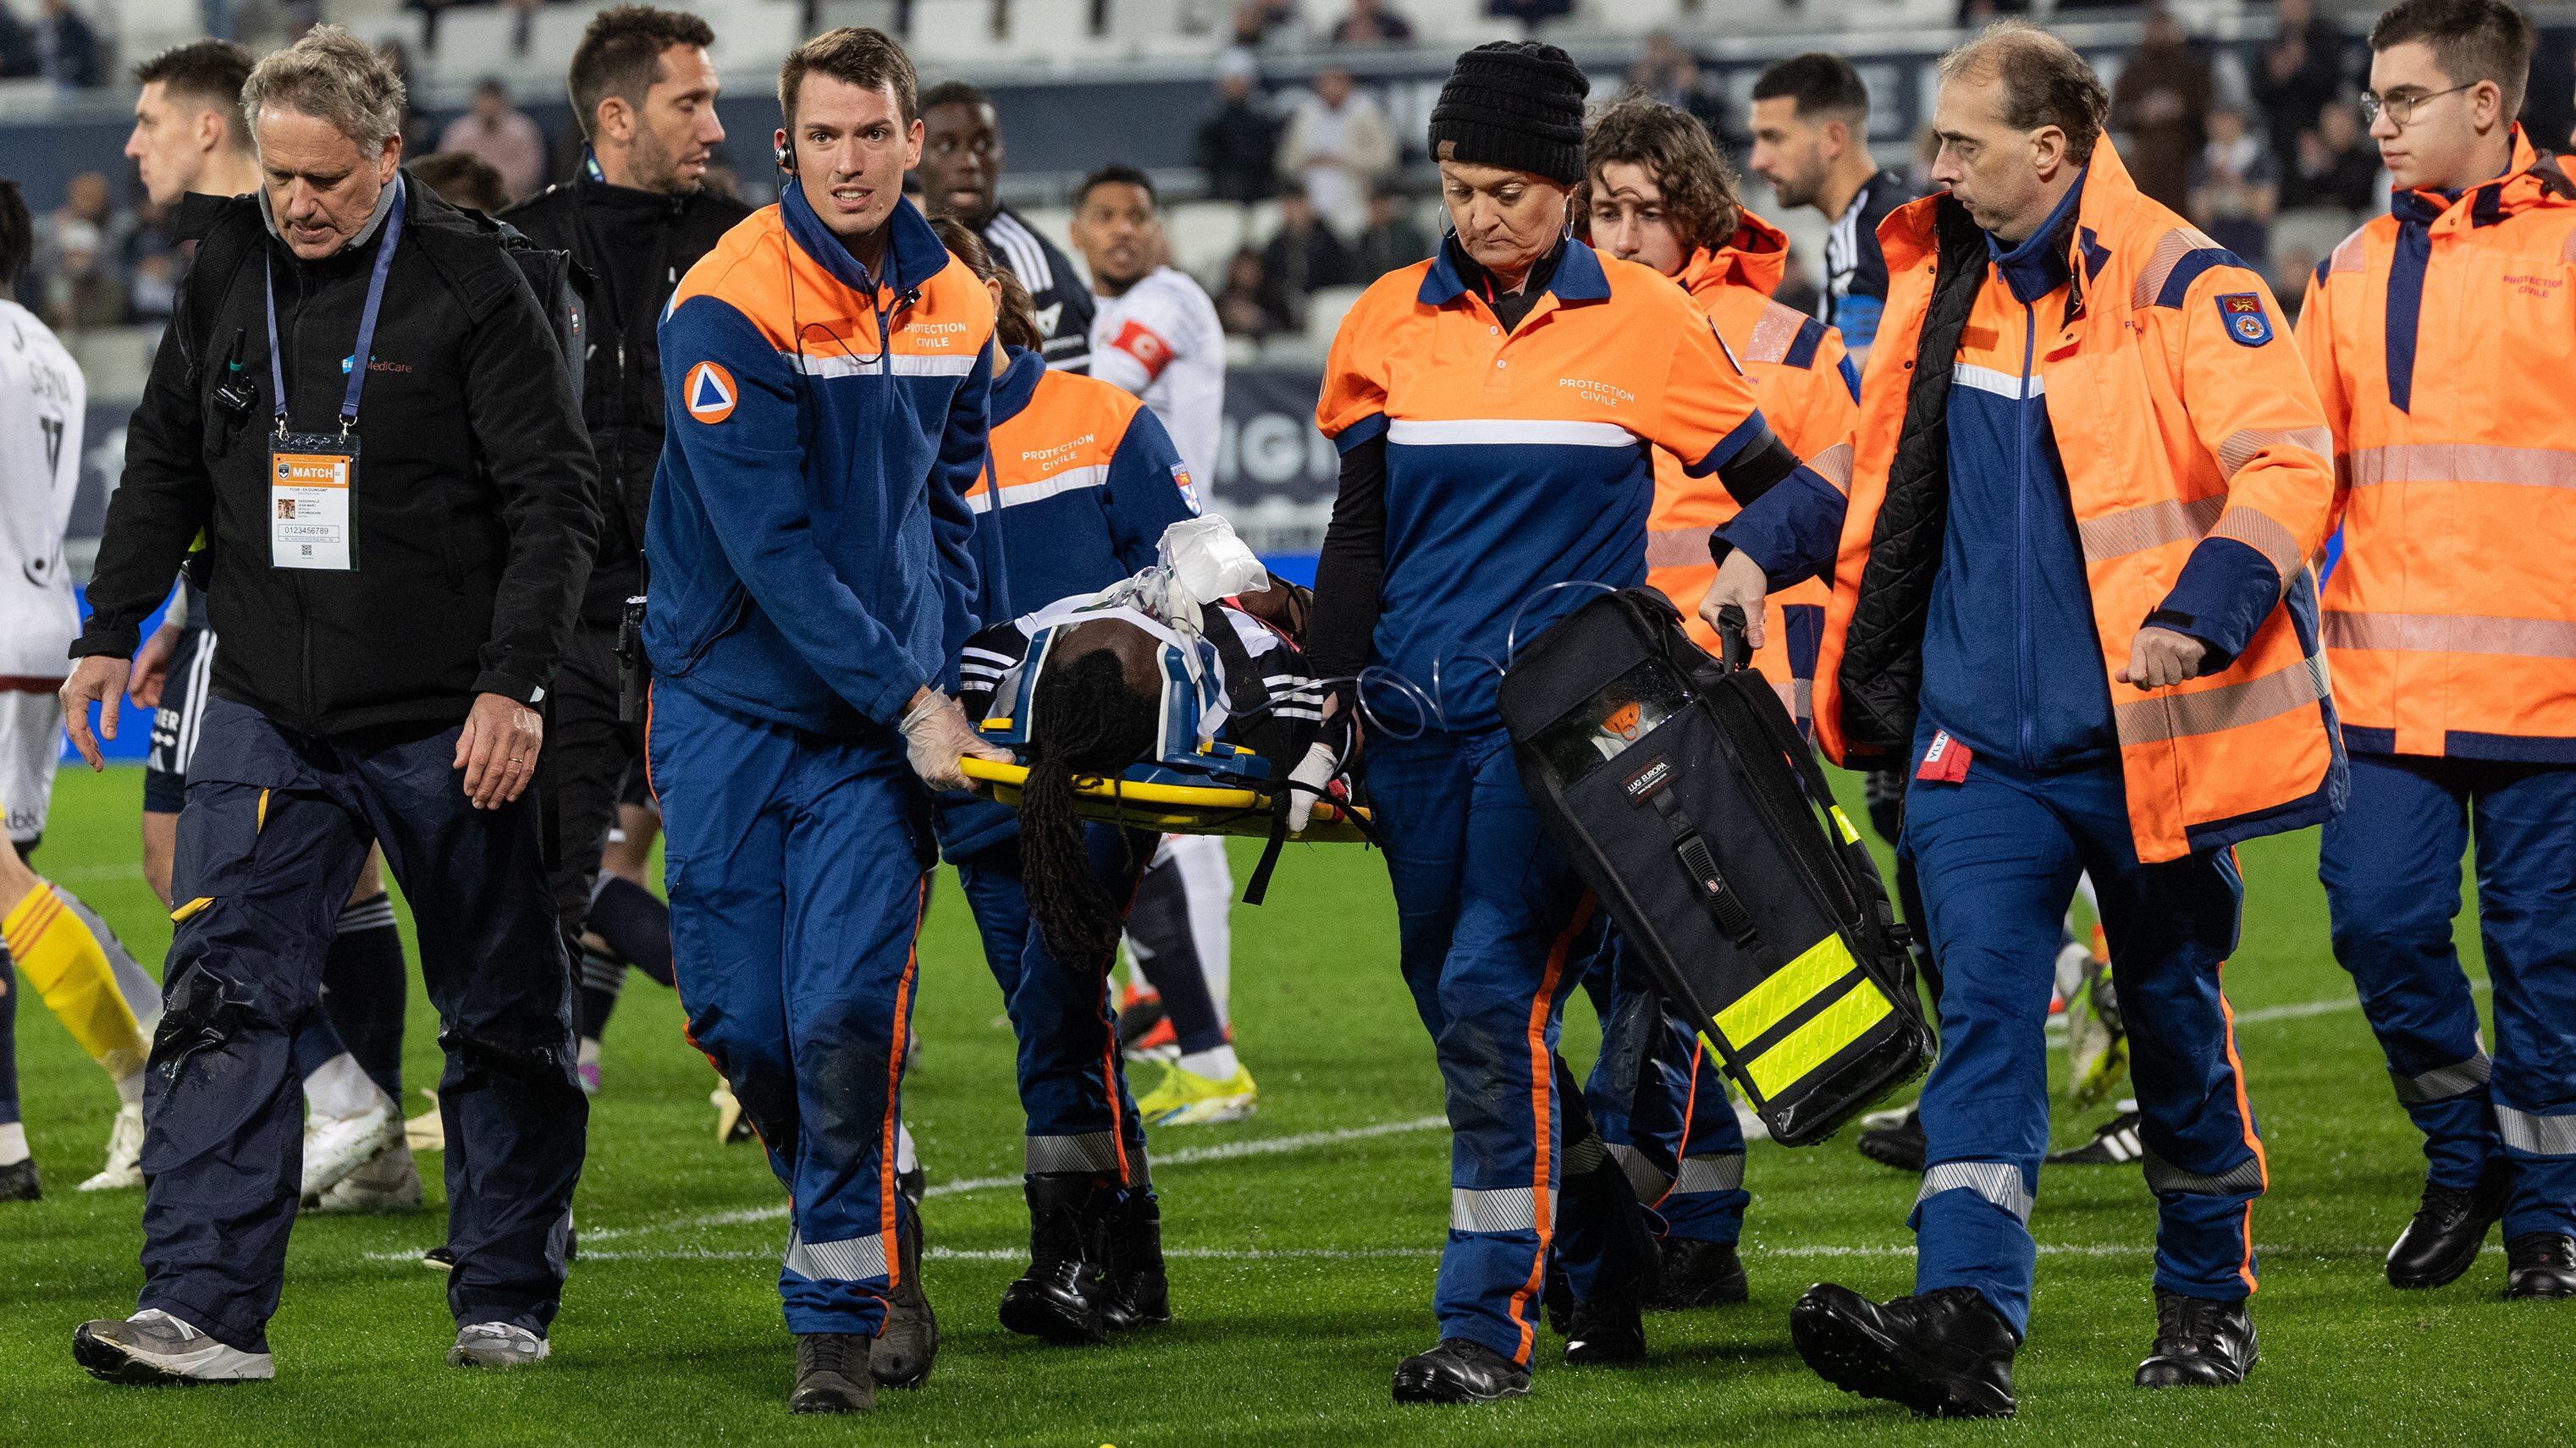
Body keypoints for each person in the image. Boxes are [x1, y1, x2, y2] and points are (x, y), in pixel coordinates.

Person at [1705, 23, 2341, 1414]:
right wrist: (1756, 546)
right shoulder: (1941, 287)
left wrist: (2206, 605)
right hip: (1974, 746)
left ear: (2046, 152)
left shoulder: (2185, 282)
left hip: (2146, 742)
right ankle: (1962, 1321)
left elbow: (2287, 463)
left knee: (2169, 1018)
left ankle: (2202, 1302)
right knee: (1985, 1018)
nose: (1930, 166)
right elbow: (1875, 462)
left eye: (1959, 144)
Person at [1304, 40, 1845, 1404]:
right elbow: (1356, 539)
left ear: (1559, 182)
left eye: (1509, 190)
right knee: (1458, 1008)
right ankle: (1604, 1261)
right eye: (1454, 185)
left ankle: (1483, 1324)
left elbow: (1797, 490)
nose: (1479, 215)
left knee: (1490, 993)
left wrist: (1738, 563)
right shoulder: (1380, 320)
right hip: (1408, 730)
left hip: (1560, 745)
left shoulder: (1652, 323)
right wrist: (1322, 706)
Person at [60, 25, 598, 1382]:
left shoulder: (478, 283)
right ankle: (201, 1305)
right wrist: (109, 625)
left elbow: (555, 498)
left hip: (449, 712)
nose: (298, 203)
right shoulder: (226, 261)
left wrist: (513, 684)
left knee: (496, 1009)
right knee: (223, 993)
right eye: (281, 175)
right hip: (266, 703)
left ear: (389, 155)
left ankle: (505, 1288)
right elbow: (165, 461)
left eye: (328, 178)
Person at [645, 26, 1002, 1415]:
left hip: (874, 733)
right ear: (785, 147)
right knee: (743, 1025)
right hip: (732, 704)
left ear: (914, 142)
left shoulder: (959, 302)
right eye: (826, 136)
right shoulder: (723, 301)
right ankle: (875, 1229)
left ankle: (840, 1319)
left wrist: (954, 660)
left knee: (849, 1015)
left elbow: (951, 501)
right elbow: (769, 546)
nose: (851, 160)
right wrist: (911, 694)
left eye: (875, 134)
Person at [119, 36, 423, 1214]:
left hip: (273, 621)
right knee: (337, 880)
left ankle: (341, 1090)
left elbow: (190, 451)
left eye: (150, 120)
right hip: (247, 601)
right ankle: (373, 1124)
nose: (133, 143)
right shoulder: (263, 250)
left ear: (209, 131)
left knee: (192, 869)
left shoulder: (240, 250)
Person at [2300, 0, 2576, 1302]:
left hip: (2554, 695)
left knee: (2544, 970)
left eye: (2401, 98)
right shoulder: (2347, 267)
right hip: (2380, 689)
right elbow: (2297, 473)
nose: (2375, 122)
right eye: (2370, 98)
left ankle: (2547, 1220)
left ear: (2483, 103)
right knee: (2376, 928)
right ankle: (2461, 1147)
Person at [1574, 92, 1862, 1311]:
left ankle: (1670, 1211)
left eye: (1648, 212)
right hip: (1590, 705)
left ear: (1695, 217)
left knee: (1677, 963)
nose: (1626, 235)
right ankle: (1694, 1216)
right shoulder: (1564, 339)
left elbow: (1848, 512)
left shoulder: (1794, 350)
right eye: (1605, 211)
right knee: (1630, 968)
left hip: (1730, 705)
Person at [929, 215, 1198, 1346]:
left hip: (1093, 785)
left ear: (992, 293)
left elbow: (1188, 571)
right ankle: (1127, 1251)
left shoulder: (1102, 422)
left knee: (1051, 1006)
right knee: (1060, 1012)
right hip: (972, 790)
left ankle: (1070, 1250)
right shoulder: (897, 448)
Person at [499, 3, 748, 1101]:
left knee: (750, 880)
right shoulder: (516, 249)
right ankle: (522, 1185)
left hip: (716, 621)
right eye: (688, 101)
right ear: (615, 112)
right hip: (573, 621)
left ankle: (831, 1133)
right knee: (547, 897)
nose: (713, 124)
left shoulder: (750, 247)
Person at [1066, 163, 1251, 1123]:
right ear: (1078, 230)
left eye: (1139, 214)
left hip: (1174, 572)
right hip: (1133, 578)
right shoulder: (1102, 312)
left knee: (1177, 814)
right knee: (1155, 811)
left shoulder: (1168, 300)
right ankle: (1183, 1020)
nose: (1124, 230)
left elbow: (1101, 396)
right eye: (1105, 216)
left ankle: (1201, 1034)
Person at [0, 178, 167, 1206]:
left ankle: (155, 1063)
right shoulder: (49, 350)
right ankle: (7, 1135)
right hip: (38, 622)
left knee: (5, 892)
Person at [914, 79, 1096, 372]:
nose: (969, 162)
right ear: (914, 153)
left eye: (983, 145)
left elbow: (1063, 390)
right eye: (948, 146)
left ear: (1001, 155)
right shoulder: (901, 243)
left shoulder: (1031, 262)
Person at [1748, 52, 1915, 369]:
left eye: (1773, 137)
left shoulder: (1864, 229)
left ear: (1833, 139)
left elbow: (1852, 376)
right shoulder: (1892, 207)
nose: (1758, 160)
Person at [2111, 3, 2215, 213]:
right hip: (2145, 163)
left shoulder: (2193, 68)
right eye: (2154, 26)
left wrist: (2180, 107)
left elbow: (2208, 111)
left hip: (2186, 160)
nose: (2159, 33)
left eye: (2164, 26)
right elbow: (2117, 115)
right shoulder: (2133, 70)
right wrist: (2141, 112)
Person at [1277, 67, 1395, 239]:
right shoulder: (1307, 113)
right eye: (1326, 84)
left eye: (1337, 83)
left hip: (1355, 198)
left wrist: (1343, 160)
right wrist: (1311, 160)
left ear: (1348, 85)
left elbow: (1385, 159)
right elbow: (1286, 162)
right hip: (1310, 203)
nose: (1331, 89)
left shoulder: (1365, 111)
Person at [1256, 184, 1351, 330]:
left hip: (1319, 297)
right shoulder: (1276, 244)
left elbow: (1338, 273)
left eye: (1297, 205)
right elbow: (1270, 278)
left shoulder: (1327, 240)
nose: (1294, 211)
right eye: (1288, 206)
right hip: (1285, 305)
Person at [439, 77, 547, 203]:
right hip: (468, 207)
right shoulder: (459, 133)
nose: (489, 106)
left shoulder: (523, 131)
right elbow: (446, 173)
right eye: (484, 100)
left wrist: (489, 184)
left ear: (504, 102)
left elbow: (530, 174)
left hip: (513, 205)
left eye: (493, 100)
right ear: (474, 103)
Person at [1195, 54, 1278, 206]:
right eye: (1231, 81)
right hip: (1222, 192)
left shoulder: (1262, 121)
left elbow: (1268, 159)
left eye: (1239, 80)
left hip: (1258, 192)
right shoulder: (1212, 122)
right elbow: (1203, 159)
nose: (1235, 86)